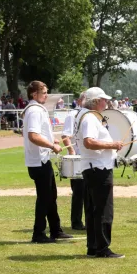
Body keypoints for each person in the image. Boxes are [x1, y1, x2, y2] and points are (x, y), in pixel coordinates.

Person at [75, 87, 124, 258]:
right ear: (96, 101)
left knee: (93, 209)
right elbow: (89, 142)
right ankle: (102, 248)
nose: (107, 102)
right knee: (103, 210)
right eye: (104, 99)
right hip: (98, 168)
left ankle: (94, 246)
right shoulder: (89, 118)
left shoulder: (88, 117)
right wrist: (113, 145)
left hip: (94, 167)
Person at [23, 80, 72, 243]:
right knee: (44, 198)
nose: (46, 95)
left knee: (51, 196)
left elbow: (39, 134)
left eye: (46, 92)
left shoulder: (37, 110)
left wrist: (53, 142)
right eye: (44, 92)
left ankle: (56, 230)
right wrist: (51, 145)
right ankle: (38, 233)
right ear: (33, 94)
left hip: (42, 159)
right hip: (39, 162)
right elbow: (33, 136)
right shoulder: (35, 111)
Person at [61, 92, 86, 230]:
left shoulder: (91, 115)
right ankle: (76, 222)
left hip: (89, 158)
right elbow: (65, 136)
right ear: (80, 101)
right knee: (79, 192)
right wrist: (72, 153)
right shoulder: (73, 115)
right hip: (78, 159)